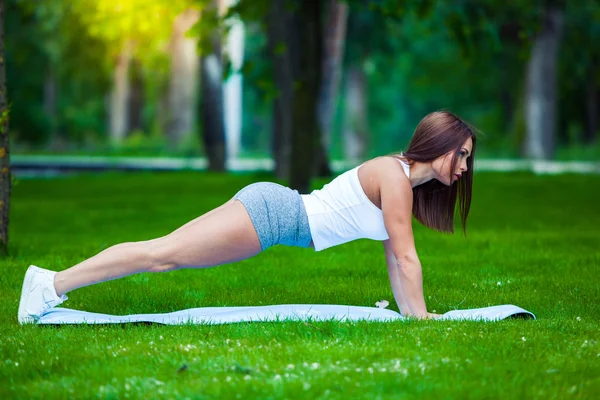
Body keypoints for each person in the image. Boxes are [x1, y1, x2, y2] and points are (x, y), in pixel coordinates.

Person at [18, 110, 476, 324]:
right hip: (273, 216)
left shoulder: (401, 185)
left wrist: (414, 315)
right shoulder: (395, 179)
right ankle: (50, 286)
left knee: (164, 252)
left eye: (469, 159)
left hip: (276, 215)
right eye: (462, 154)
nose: (464, 166)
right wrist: (421, 321)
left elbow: (395, 262)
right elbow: (408, 257)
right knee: (163, 255)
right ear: (439, 144)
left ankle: (50, 285)